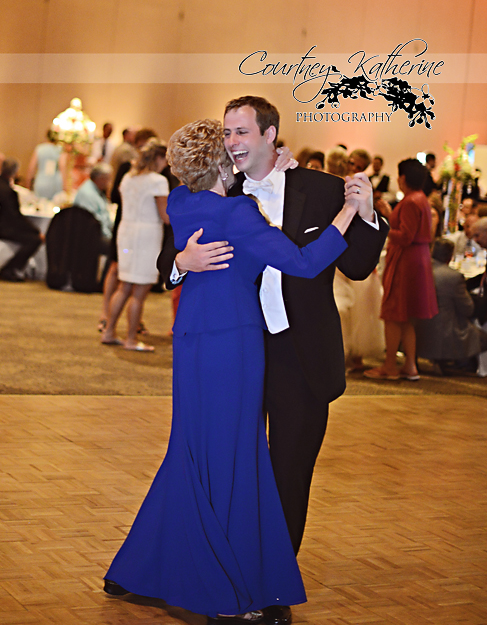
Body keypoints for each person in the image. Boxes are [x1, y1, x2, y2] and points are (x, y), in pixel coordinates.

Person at [104, 118, 363, 620]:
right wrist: (348, 212)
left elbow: (202, 212)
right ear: (223, 161)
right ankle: (224, 581)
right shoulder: (240, 213)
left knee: (193, 449)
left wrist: (184, 258)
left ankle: (151, 566)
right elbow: (306, 263)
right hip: (234, 343)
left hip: (191, 338)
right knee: (234, 455)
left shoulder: (182, 203)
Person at [158, 96, 388, 624]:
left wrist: (367, 211)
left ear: (270, 134)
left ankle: (272, 586)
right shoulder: (217, 188)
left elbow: (355, 263)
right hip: (231, 351)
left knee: (287, 471)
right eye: (228, 132)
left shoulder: (321, 188)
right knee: (220, 463)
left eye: (242, 132)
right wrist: (178, 262)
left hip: (297, 354)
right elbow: (169, 255)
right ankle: (210, 567)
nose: (233, 142)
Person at [365, 159, 438, 381]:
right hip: (418, 259)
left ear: (403, 178)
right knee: (406, 317)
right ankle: (409, 366)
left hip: (406, 260)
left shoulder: (409, 201)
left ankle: (390, 366)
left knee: (393, 313)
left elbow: (405, 236)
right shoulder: (421, 199)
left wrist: (383, 226)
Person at [101, 139, 169, 351]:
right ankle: (131, 339)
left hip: (126, 232)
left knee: (125, 285)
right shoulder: (157, 181)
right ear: (158, 158)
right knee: (140, 289)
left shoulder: (128, 178)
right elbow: (165, 217)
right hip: (146, 234)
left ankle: (109, 331)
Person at [415, 238, 487, 370]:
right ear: (450, 256)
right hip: (443, 335)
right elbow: (468, 309)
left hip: (415, 331)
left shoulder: (417, 269)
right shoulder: (454, 277)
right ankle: (462, 363)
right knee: (482, 336)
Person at [0, 158, 43, 281]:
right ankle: (10, 269)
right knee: (34, 240)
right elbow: (15, 218)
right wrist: (36, 231)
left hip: (5, 226)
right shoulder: (8, 191)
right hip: (4, 228)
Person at [74, 162, 113, 252]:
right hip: (90, 237)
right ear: (101, 179)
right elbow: (94, 222)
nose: (109, 183)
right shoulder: (88, 194)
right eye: (108, 179)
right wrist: (110, 237)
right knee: (117, 249)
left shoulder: (96, 190)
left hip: (96, 234)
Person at [25, 130, 63, 200]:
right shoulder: (59, 150)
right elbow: (62, 168)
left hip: (41, 181)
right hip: (54, 183)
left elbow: (31, 168)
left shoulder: (40, 149)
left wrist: (28, 184)